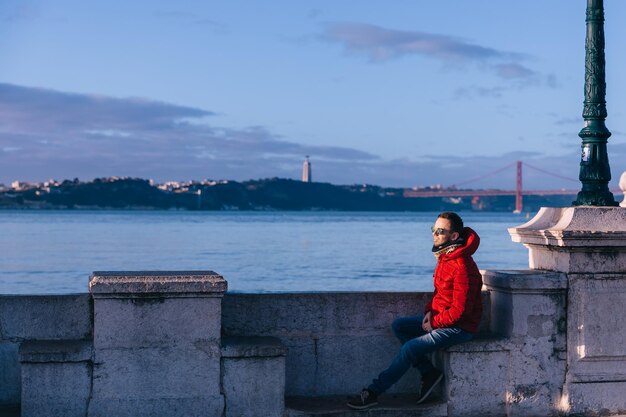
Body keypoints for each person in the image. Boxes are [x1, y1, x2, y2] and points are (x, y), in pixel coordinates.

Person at [347, 212, 483, 410]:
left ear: (454, 236)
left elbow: (460, 312)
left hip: (460, 328)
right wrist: (430, 311)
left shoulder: (462, 266)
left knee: (410, 348)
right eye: (433, 230)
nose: (434, 235)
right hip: (443, 319)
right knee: (400, 326)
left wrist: (434, 324)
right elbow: (440, 293)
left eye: (440, 231)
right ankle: (428, 373)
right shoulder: (446, 257)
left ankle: (373, 392)